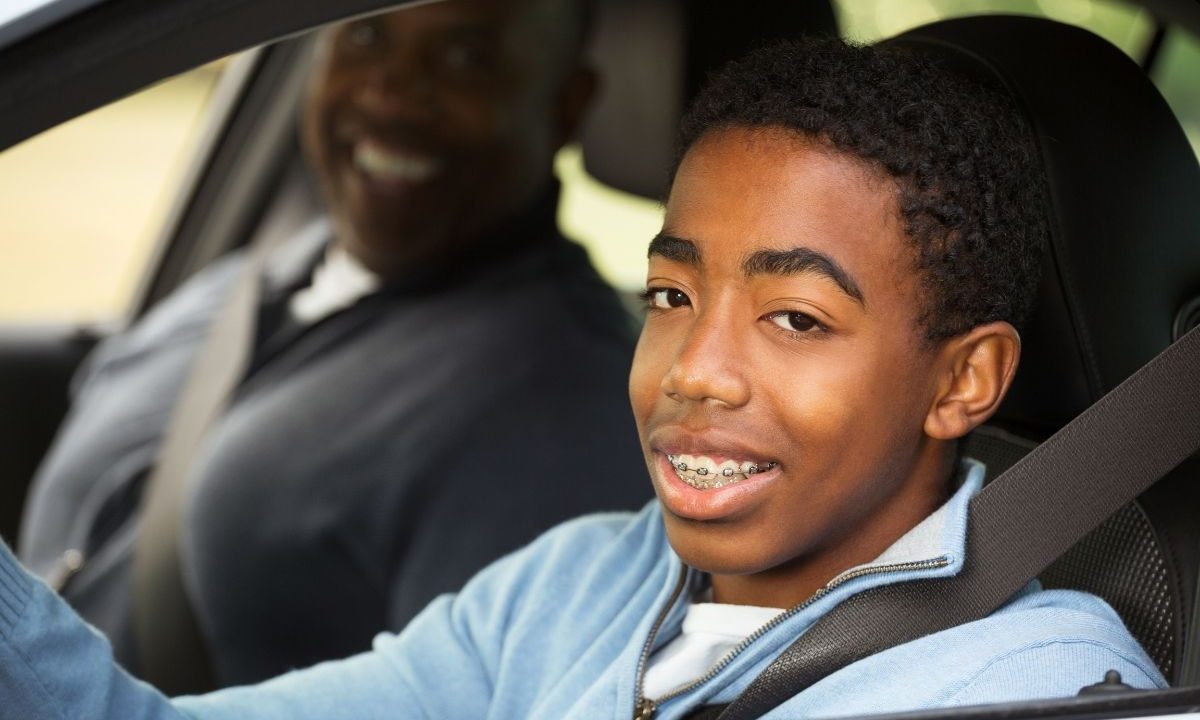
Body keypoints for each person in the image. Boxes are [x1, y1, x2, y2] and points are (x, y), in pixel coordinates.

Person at [0, 36, 1165, 719]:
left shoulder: (1035, 686)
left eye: (796, 318)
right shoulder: (577, 582)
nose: (695, 370)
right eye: (671, 296)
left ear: (964, 381)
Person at [15, 0, 649, 689]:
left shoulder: (562, 401)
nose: (393, 89)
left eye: (466, 58)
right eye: (366, 33)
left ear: (566, 104)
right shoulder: (236, 285)